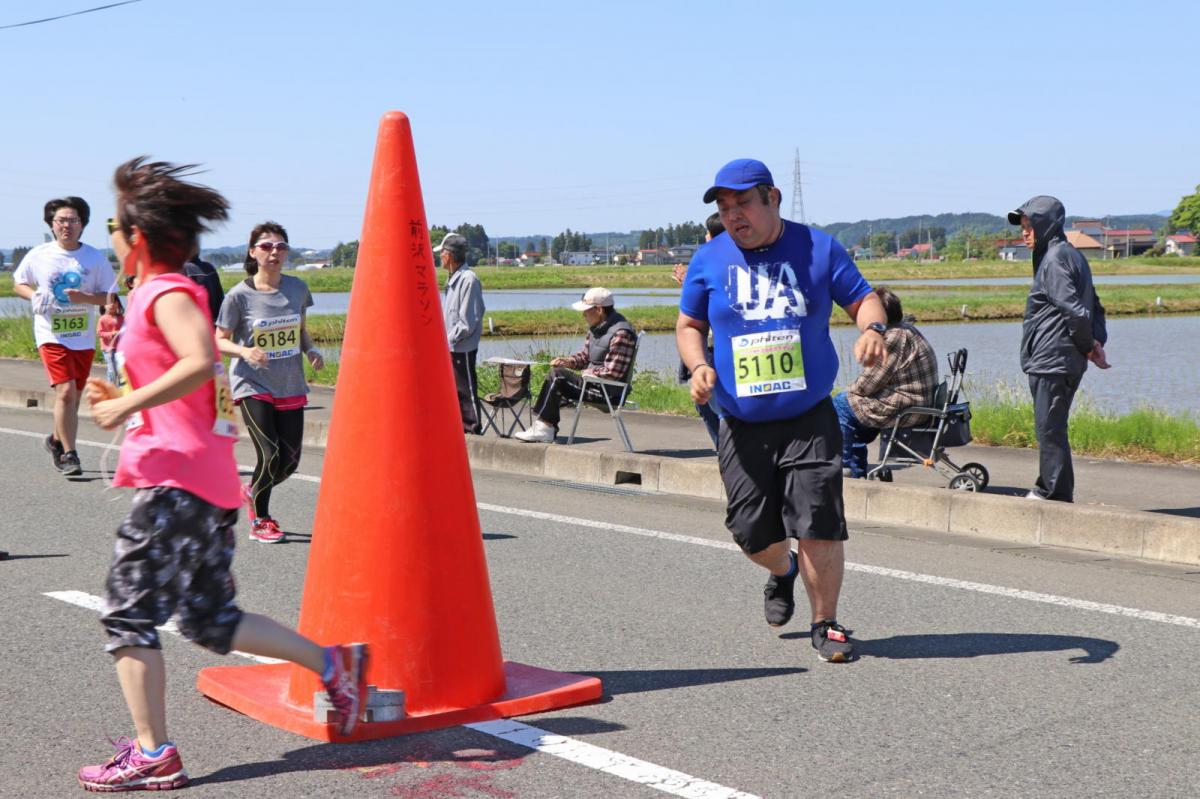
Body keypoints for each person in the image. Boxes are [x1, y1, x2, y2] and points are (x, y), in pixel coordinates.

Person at [80, 157, 366, 793]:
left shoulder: (167, 291)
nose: (112, 240)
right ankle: (333, 663)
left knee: (127, 615)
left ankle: (153, 753)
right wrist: (121, 391)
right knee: (208, 620)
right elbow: (177, 378)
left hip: (178, 484)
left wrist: (127, 404)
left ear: (140, 238)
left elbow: (203, 357)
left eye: (115, 228)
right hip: (201, 480)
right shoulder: (151, 294)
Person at [677, 158, 888, 664]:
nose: (733, 216)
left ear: (772, 198)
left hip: (808, 415)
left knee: (818, 521)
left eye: (742, 204)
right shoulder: (710, 259)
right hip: (742, 422)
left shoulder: (818, 247)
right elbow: (688, 325)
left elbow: (864, 300)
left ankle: (826, 623)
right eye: (725, 209)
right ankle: (783, 571)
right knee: (752, 533)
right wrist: (699, 365)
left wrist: (873, 330)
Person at [216, 221, 324, 543]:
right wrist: (244, 350)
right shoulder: (239, 296)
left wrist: (312, 350)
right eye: (266, 246)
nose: (274, 252)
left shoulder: (297, 288)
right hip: (252, 383)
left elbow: (300, 328)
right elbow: (219, 339)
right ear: (253, 253)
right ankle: (261, 519)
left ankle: (252, 490)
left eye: (280, 246)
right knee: (271, 452)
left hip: (289, 382)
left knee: (289, 463)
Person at [1009, 196, 1110, 502]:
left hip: (1053, 358)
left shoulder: (1054, 259)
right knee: (1052, 425)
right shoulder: (1072, 255)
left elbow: (1078, 311)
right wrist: (1095, 343)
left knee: (1049, 427)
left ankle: (1052, 493)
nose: (1025, 234)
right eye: (1023, 228)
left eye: (1029, 227)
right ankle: (1053, 489)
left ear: (1045, 225)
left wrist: (1089, 346)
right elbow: (1095, 307)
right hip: (1061, 357)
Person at [12, 196, 119, 476]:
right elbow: (19, 283)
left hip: (81, 336)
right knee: (66, 392)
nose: (66, 226)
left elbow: (110, 298)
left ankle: (56, 440)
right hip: (51, 334)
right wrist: (34, 295)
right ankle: (70, 455)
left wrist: (85, 297)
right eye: (61, 220)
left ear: (83, 224)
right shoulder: (40, 254)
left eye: (73, 220)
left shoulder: (94, 258)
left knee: (74, 396)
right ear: (51, 224)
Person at [831, 287, 939, 478]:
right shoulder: (907, 329)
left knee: (840, 404)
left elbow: (868, 384)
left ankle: (846, 467)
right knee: (851, 410)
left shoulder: (892, 337)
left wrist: (848, 391)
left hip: (907, 407)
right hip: (916, 402)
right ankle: (855, 468)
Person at [513, 287, 636, 444]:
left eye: (586, 310)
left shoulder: (621, 334)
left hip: (608, 392)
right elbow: (585, 357)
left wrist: (588, 372)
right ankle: (544, 426)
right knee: (557, 372)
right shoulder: (597, 328)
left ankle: (544, 428)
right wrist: (567, 361)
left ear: (599, 310)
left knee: (557, 376)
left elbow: (613, 373)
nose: (583, 314)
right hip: (593, 384)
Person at [672, 212, 726, 447]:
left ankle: (727, 455)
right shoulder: (710, 264)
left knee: (718, 407)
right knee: (706, 403)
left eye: (707, 234)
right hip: (708, 351)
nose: (705, 238)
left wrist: (692, 284)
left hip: (718, 351)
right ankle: (725, 455)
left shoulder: (722, 264)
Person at [437, 233, 485, 434]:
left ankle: (473, 428)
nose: (439, 257)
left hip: (462, 345)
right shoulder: (453, 279)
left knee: (466, 390)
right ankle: (460, 428)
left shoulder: (468, 280)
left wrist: (446, 340)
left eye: (441, 253)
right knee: (455, 391)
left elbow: (468, 321)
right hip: (452, 344)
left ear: (449, 255)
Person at [183, 245, 225, 323]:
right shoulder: (209, 267)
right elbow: (220, 297)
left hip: (194, 324)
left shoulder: (182, 269)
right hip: (213, 323)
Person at [97, 300, 124, 386]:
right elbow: (99, 333)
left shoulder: (121, 318)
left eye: (114, 302)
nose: (112, 305)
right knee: (112, 370)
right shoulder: (102, 319)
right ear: (103, 306)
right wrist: (111, 334)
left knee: (121, 370)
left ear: (118, 304)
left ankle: (122, 391)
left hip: (120, 348)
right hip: (108, 348)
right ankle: (111, 389)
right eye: (109, 303)